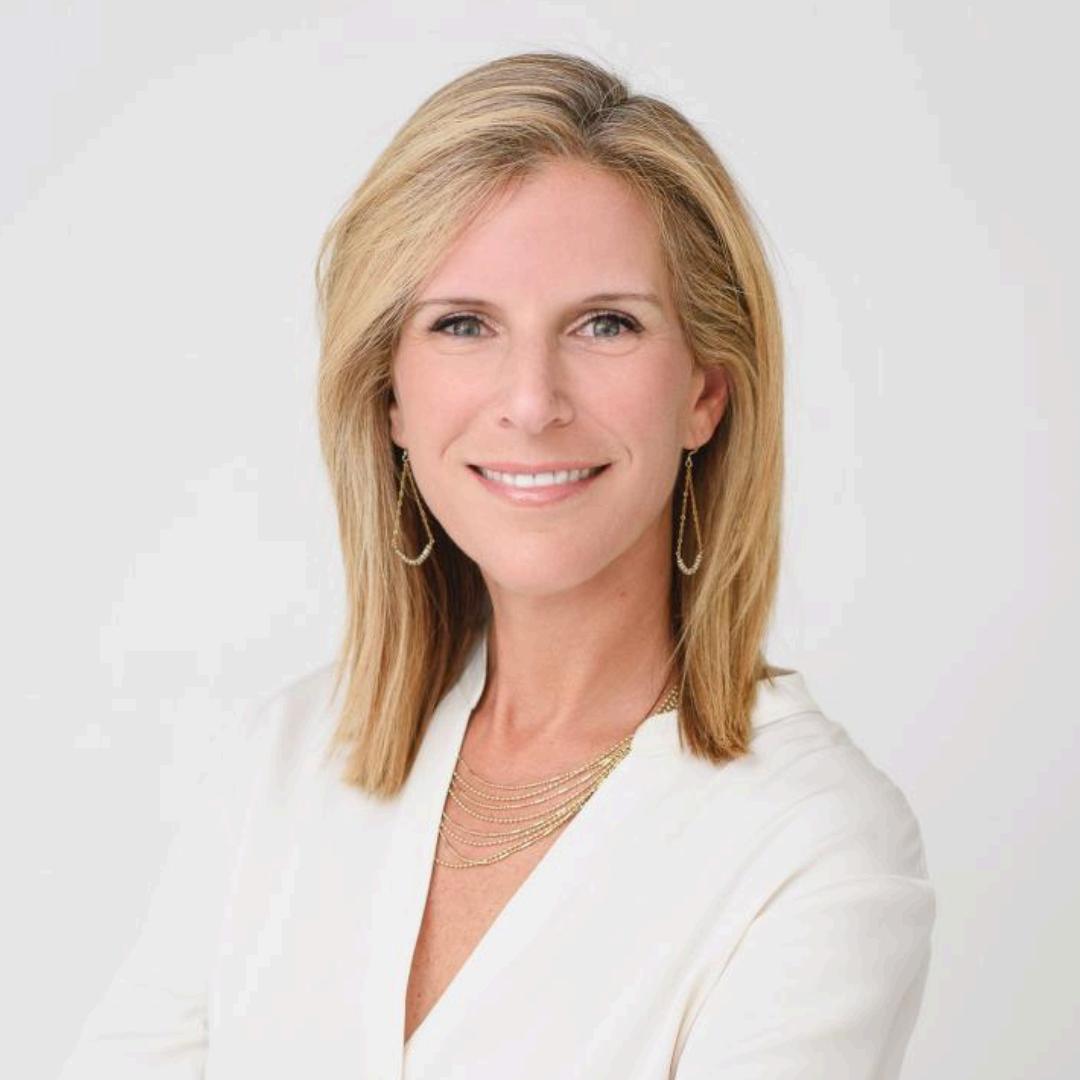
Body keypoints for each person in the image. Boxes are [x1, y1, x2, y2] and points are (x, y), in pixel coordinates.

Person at [59, 51, 936, 1079]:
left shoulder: (815, 849)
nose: (530, 401)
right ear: (390, 394)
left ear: (705, 390)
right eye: (464, 325)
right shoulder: (285, 763)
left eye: (605, 324)